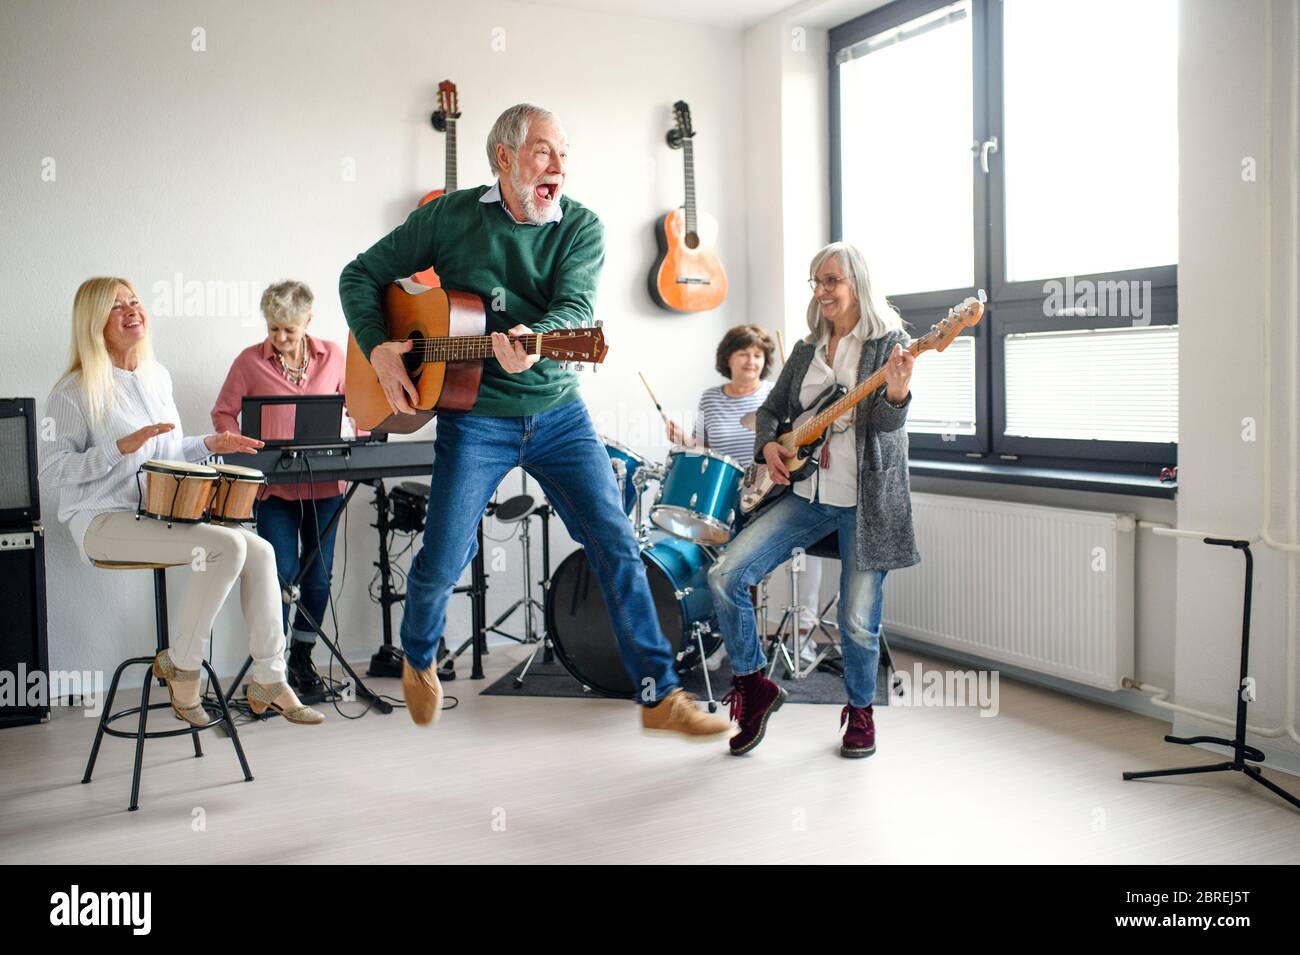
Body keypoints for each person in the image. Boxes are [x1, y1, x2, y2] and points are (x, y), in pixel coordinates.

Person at [339, 103, 733, 738]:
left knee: (614, 541)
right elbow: (360, 274)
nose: (559, 167)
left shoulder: (581, 227)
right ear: (505, 158)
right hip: (475, 417)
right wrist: (381, 345)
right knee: (443, 554)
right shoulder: (447, 217)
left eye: (564, 155)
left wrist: (538, 336)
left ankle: (660, 694)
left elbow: (576, 306)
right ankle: (417, 657)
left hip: (557, 412)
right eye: (544, 152)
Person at [40, 277, 325, 727]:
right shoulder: (73, 392)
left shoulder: (156, 376)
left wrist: (210, 442)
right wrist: (119, 446)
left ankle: (269, 677)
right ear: (94, 322)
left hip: (152, 517)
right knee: (227, 545)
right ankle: (183, 664)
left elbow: (166, 452)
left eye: (134, 301)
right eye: (117, 307)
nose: (132, 310)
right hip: (101, 522)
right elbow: (52, 470)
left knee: (261, 549)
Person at [707, 242, 919, 758]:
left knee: (855, 620)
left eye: (832, 281)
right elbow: (771, 411)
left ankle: (861, 715)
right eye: (816, 281)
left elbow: (889, 429)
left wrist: (895, 393)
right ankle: (755, 688)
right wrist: (769, 447)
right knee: (725, 575)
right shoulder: (806, 350)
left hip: (864, 503)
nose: (822, 291)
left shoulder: (888, 344)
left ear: (857, 285)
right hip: (805, 494)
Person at [211, 280, 349, 697]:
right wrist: (239, 446)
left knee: (319, 577)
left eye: (289, 329)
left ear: (308, 320)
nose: (280, 338)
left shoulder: (335, 356)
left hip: (326, 485)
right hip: (272, 490)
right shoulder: (248, 363)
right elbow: (223, 414)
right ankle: (273, 667)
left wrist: (352, 432)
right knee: (281, 574)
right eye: (273, 329)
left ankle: (303, 659)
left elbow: (357, 410)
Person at [665, 324, 824, 651]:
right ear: (729, 358)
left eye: (758, 355)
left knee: (805, 558)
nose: (751, 361)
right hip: (727, 496)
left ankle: (803, 638)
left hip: (773, 492)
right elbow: (706, 448)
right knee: (723, 568)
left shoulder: (773, 395)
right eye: (743, 353)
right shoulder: (710, 397)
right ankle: (727, 642)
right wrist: (685, 441)